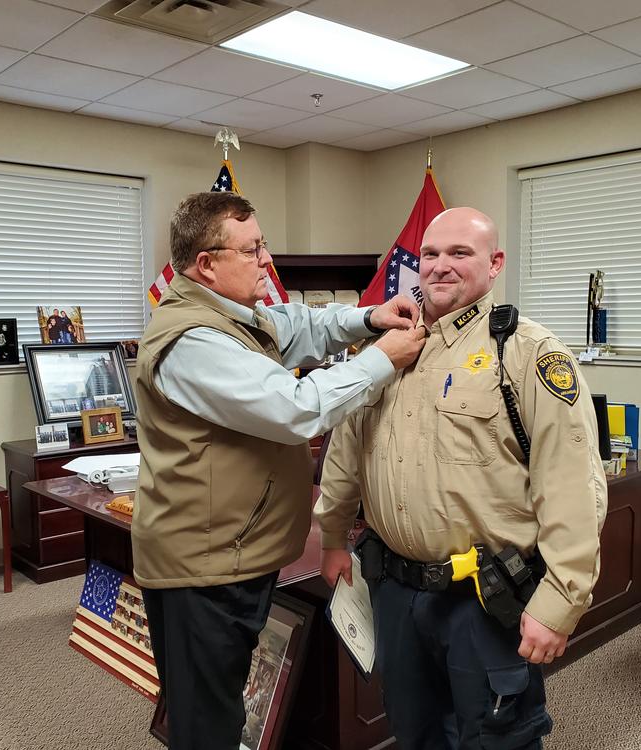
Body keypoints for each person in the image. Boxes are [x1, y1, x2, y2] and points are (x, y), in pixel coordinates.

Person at [131, 191, 426, 750]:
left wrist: (368, 318)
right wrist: (382, 357)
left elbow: (297, 326)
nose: (267, 261)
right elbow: (297, 408)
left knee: (221, 700)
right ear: (207, 265)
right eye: (252, 250)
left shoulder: (232, 315)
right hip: (203, 568)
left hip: (233, 552)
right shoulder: (192, 340)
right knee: (206, 725)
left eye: (263, 245)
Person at [315, 207, 607, 750]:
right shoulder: (384, 351)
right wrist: (332, 537)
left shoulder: (525, 353)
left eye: (460, 253)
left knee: (497, 737)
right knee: (414, 730)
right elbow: (345, 453)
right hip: (395, 591)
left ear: (494, 264)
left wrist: (560, 602)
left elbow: (573, 486)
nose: (440, 266)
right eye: (430, 254)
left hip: (483, 597)